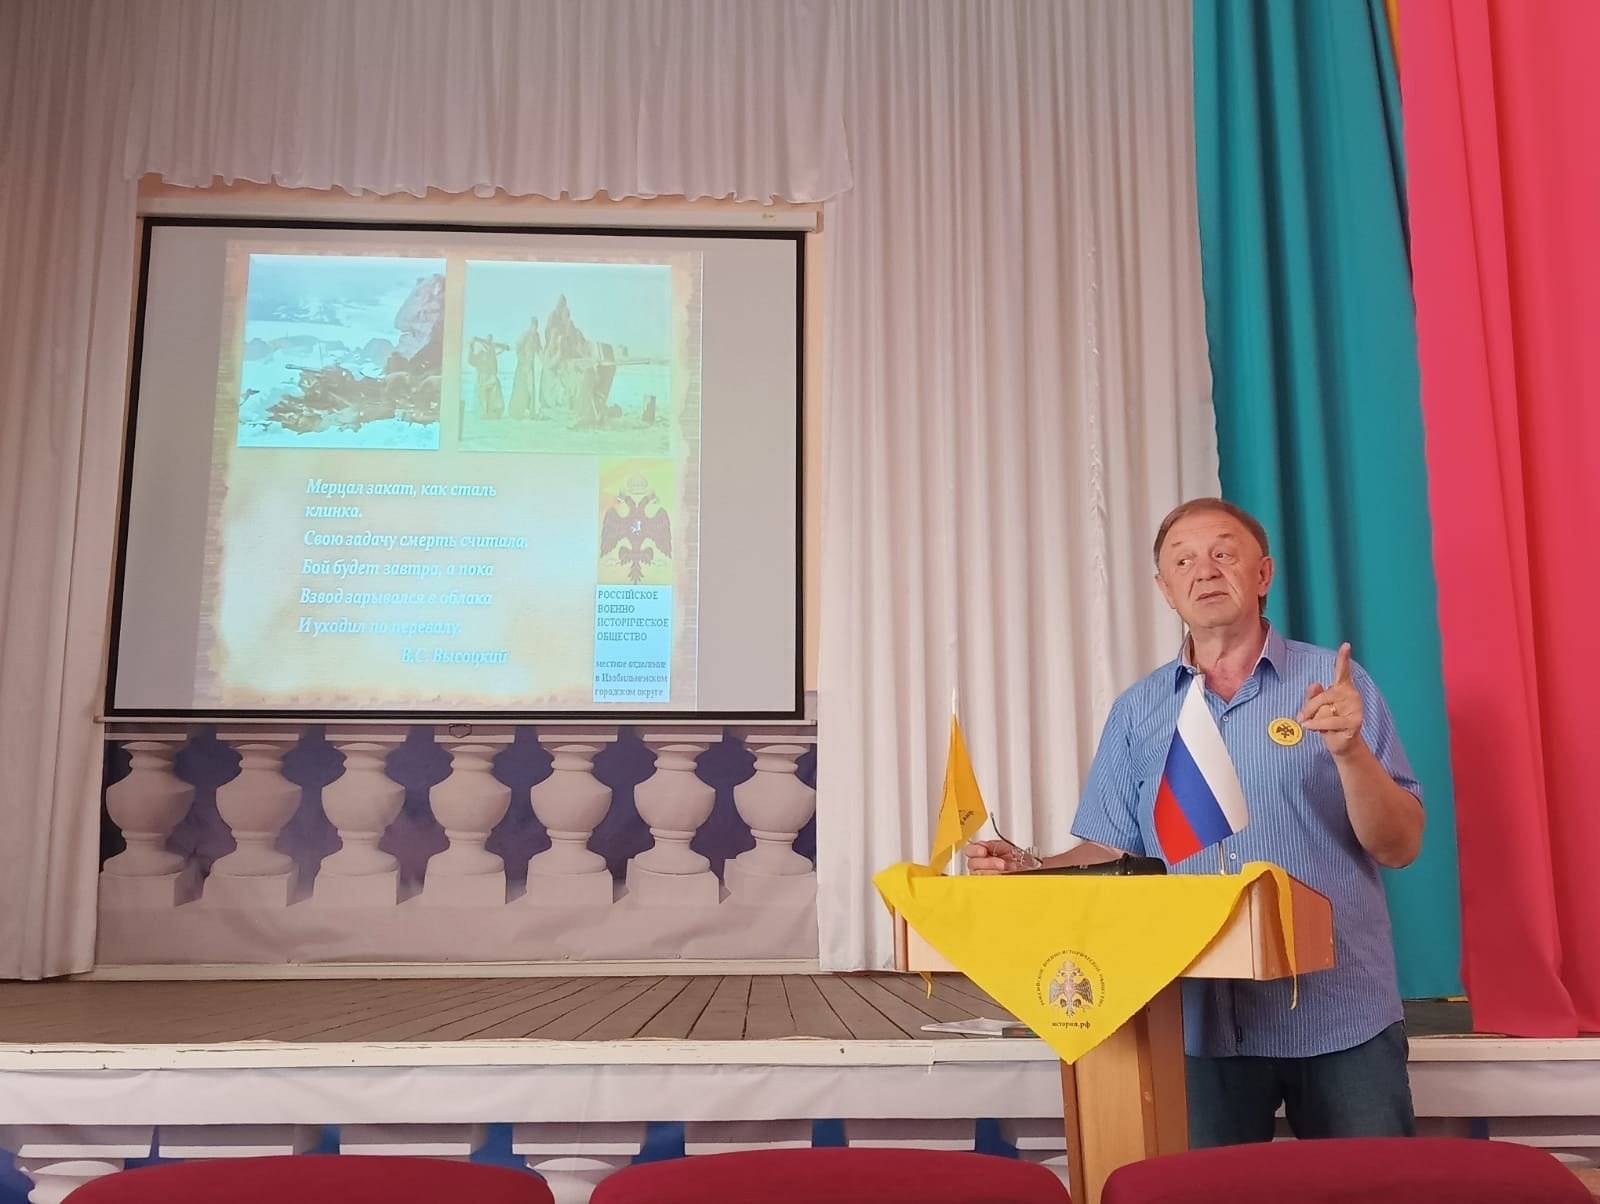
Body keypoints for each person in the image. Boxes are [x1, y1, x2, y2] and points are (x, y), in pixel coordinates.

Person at [965, 497, 1424, 1146]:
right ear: (1164, 589)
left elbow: (1399, 846)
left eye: (1223, 553)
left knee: (1372, 1191)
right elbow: (1110, 853)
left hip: (1340, 1010)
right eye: (1183, 561)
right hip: (1195, 1017)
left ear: (1262, 574)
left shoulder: (1335, 687)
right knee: (1197, 1191)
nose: (1204, 570)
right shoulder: (1140, 710)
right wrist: (1028, 867)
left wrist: (1349, 752)